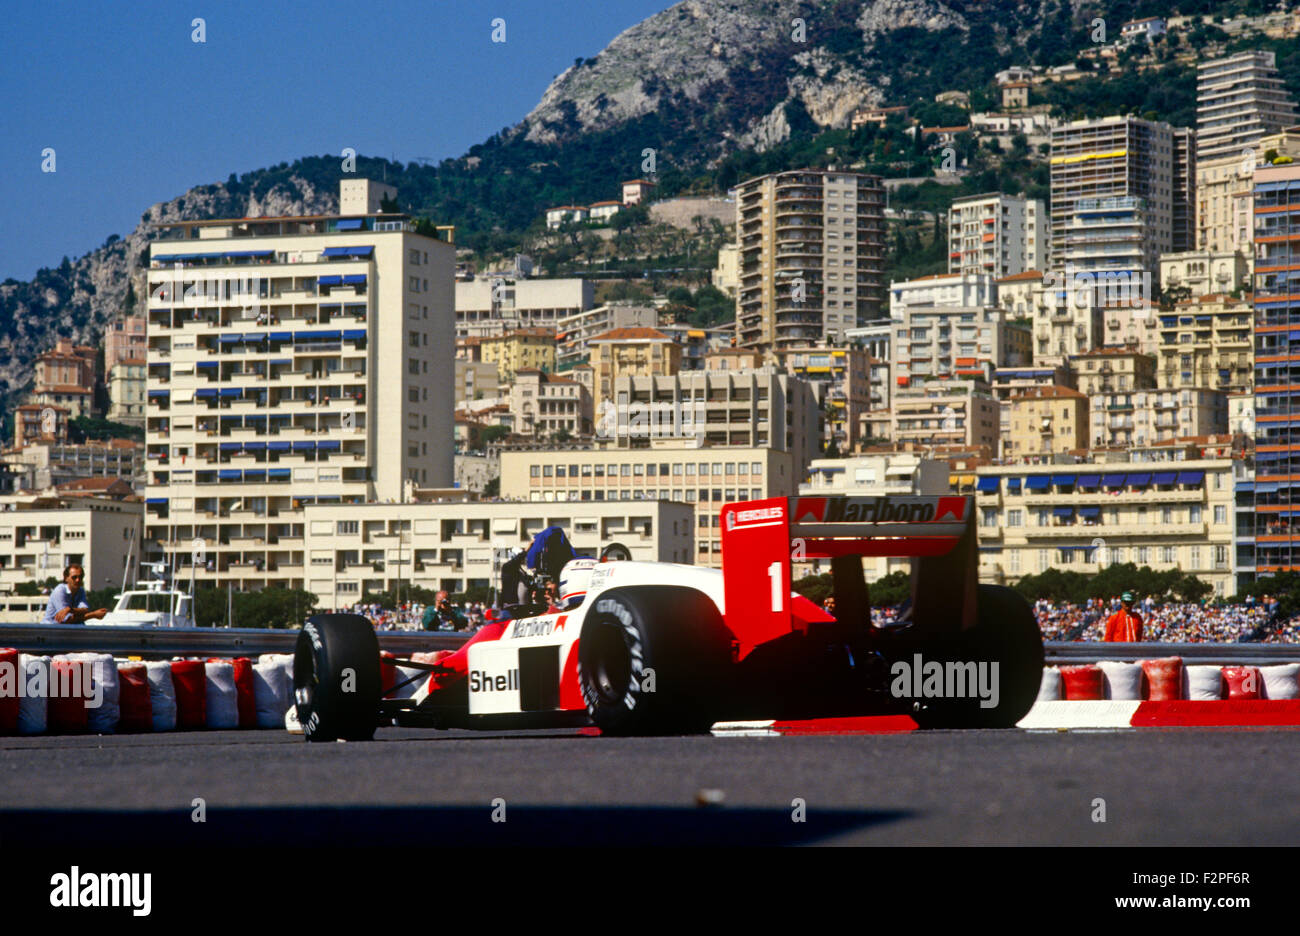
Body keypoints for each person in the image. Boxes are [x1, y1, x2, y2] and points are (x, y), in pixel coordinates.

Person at [41, 564, 108, 624]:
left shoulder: (80, 590)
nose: (78, 580)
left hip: (64, 630)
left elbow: (85, 610)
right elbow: (67, 620)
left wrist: (70, 609)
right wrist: (93, 615)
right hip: (49, 629)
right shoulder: (59, 591)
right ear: (66, 578)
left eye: (80, 577)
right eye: (74, 577)